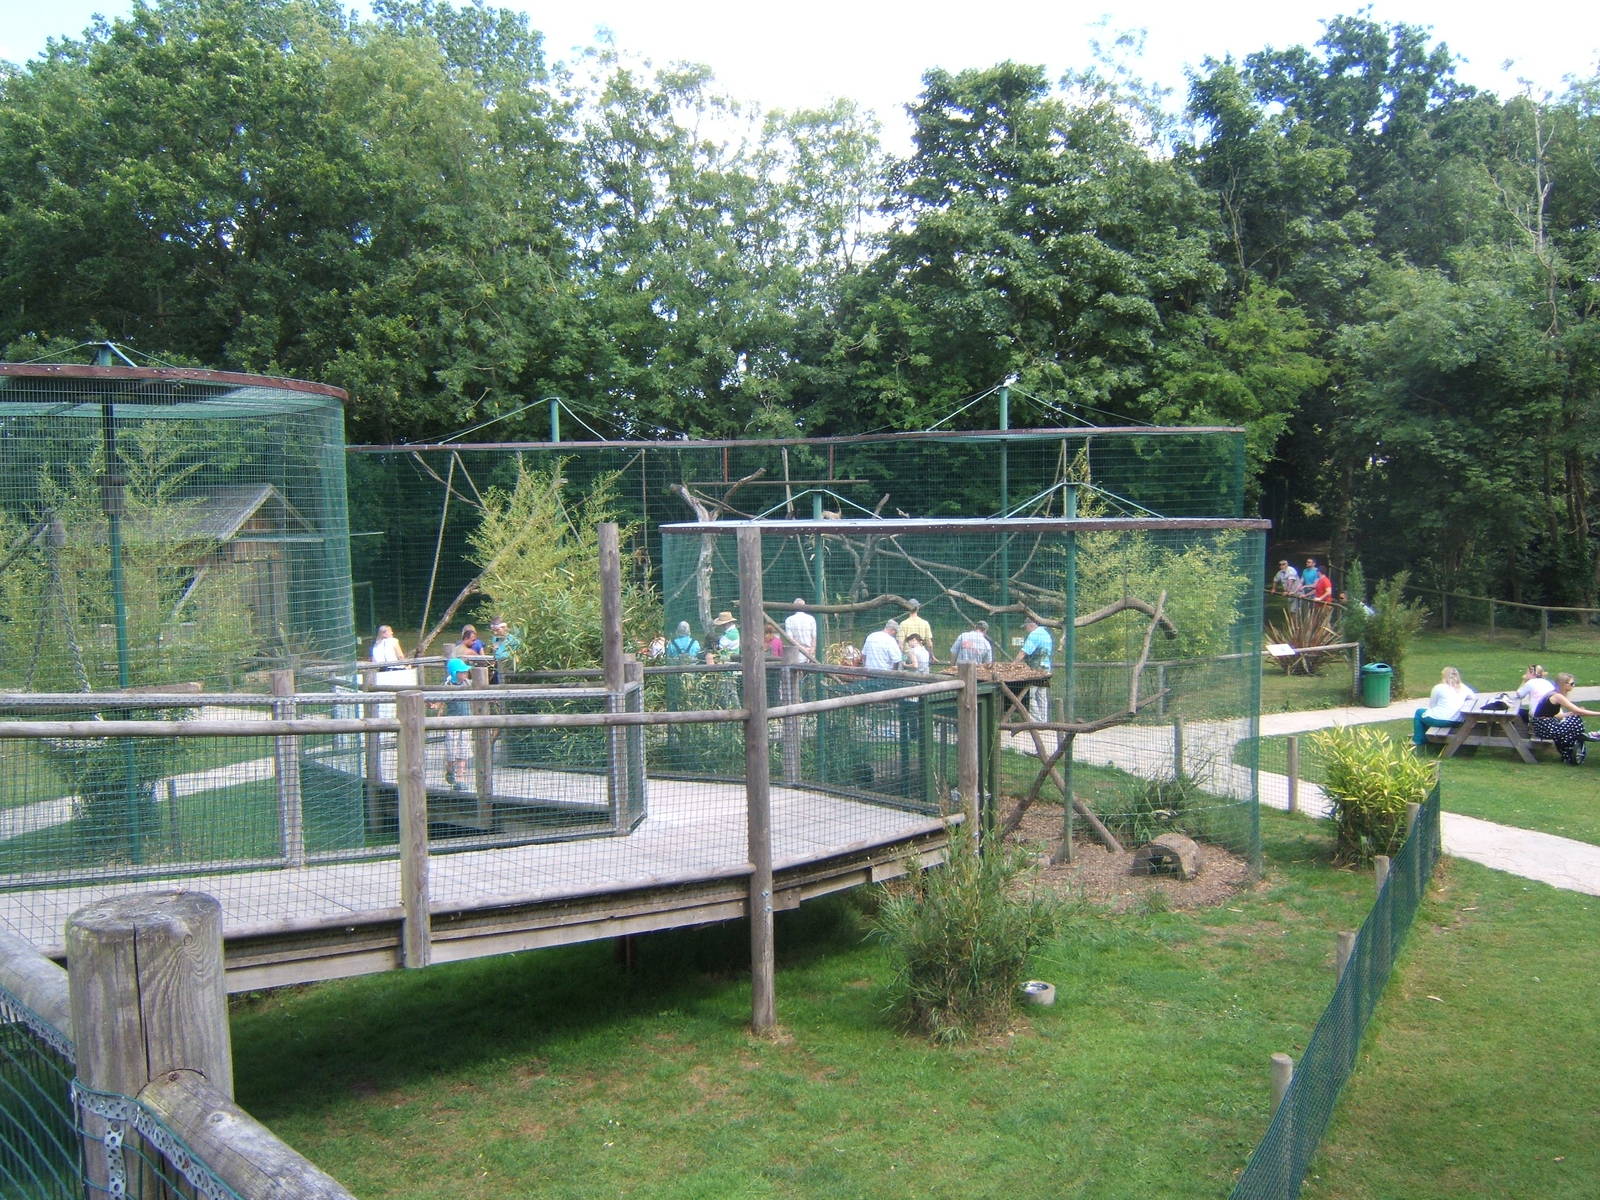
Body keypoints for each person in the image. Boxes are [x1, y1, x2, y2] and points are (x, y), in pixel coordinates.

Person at [1529, 673, 1600, 766]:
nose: (1573, 686)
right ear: (1564, 684)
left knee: (1573, 720)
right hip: (1545, 728)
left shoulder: (1554, 694)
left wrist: (1570, 714)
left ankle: (1570, 752)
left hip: (1543, 726)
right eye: (1572, 684)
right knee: (1575, 720)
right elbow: (1578, 711)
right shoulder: (1558, 696)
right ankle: (1577, 745)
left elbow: (1556, 715)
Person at [1413, 666, 1476, 746]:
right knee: (1425, 714)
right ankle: (1426, 739)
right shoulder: (1463, 687)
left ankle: (1418, 742)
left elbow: (1432, 705)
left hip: (1442, 720)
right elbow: (1473, 697)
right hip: (1457, 721)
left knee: (1419, 713)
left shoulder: (1438, 688)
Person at [441, 652, 472, 792]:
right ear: (454, 673)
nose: (465, 674)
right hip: (452, 723)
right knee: (451, 751)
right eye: (462, 672)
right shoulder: (447, 685)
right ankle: (450, 770)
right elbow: (438, 701)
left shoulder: (468, 684)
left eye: (466, 671)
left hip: (465, 722)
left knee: (463, 750)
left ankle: (460, 778)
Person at [1014, 617, 1054, 723]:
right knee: (1041, 696)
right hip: (1046, 668)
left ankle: (1036, 721)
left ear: (1031, 625)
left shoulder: (1034, 634)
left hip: (1036, 669)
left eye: (1026, 627)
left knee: (1029, 696)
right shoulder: (1046, 634)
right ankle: (1044, 721)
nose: (1026, 630)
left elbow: (1024, 652)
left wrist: (1013, 664)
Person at [784, 598, 818, 663]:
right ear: (804, 606)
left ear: (794, 607)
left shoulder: (789, 620)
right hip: (810, 652)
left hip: (797, 652)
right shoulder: (811, 619)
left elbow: (790, 639)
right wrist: (812, 651)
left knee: (797, 671)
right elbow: (814, 637)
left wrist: (803, 650)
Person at [488, 616, 520, 683]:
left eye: (497, 630)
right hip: (499, 667)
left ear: (504, 628)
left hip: (509, 668)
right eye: (493, 630)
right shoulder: (495, 639)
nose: (495, 633)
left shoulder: (514, 641)